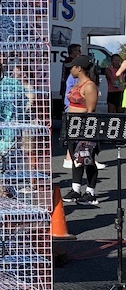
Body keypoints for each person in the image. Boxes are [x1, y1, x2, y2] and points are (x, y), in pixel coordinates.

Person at [62, 54, 100, 206]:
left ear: (79, 68)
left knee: (87, 159)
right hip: (73, 125)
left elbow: (91, 111)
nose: (70, 70)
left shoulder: (89, 86)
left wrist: (87, 135)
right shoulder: (77, 84)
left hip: (84, 126)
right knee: (75, 158)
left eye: (72, 67)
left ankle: (90, 193)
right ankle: (76, 189)